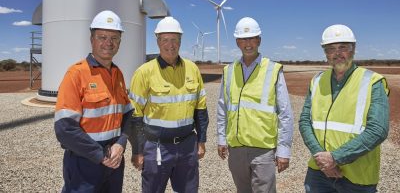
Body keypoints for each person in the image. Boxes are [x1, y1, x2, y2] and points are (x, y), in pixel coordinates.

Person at [299, 24, 390, 193]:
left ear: (353, 49)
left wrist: (335, 158)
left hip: (357, 177)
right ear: (325, 53)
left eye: (343, 47)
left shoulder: (372, 82)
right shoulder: (317, 81)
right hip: (319, 173)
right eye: (331, 48)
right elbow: (305, 121)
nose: (337, 53)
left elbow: (378, 129)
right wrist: (322, 159)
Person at [54, 10, 133, 192]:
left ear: (120, 42)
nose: (108, 43)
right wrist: (100, 155)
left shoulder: (117, 73)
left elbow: (128, 114)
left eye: (114, 38)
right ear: (92, 39)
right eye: (102, 37)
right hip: (85, 162)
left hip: (114, 159)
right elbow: (64, 129)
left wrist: (120, 144)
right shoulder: (76, 74)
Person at [128, 16, 209, 193]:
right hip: (156, 147)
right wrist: (138, 150)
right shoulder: (144, 72)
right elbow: (134, 116)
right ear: (157, 41)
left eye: (174, 39)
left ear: (180, 41)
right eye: (165, 39)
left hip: (187, 146)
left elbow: (201, 109)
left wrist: (201, 140)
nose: (170, 44)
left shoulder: (192, 69)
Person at [217, 17, 294, 193]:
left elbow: (285, 113)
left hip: (263, 150)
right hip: (235, 148)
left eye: (252, 38)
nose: (248, 43)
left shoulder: (273, 70)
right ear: (237, 42)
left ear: (259, 40)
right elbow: (222, 108)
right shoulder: (228, 71)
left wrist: (283, 150)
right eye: (243, 39)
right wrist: (221, 138)